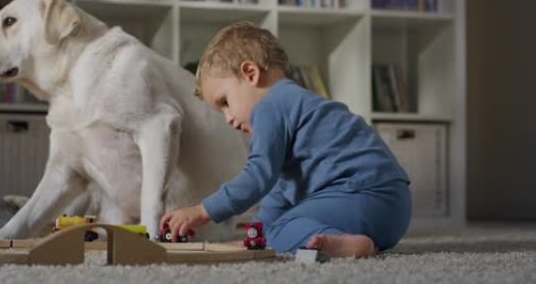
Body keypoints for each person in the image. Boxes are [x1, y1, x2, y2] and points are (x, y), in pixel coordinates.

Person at [159, 21, 411, 257]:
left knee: (282, 230)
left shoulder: (269, 108)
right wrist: (256, 237)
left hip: (362, 197)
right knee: (274, 228)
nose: (228, 118)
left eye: (225, 102)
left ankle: (345, 245)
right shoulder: (296, 102)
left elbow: (257, 178)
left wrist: (202, 211)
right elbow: (276, 192)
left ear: (250, 73)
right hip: (394, 208)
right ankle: (349, 239)